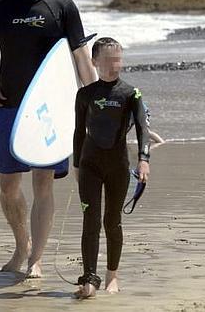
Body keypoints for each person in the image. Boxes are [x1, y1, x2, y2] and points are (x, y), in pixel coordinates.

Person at [0, 0, 96, 278]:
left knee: (44, 182)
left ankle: (36, 258)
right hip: (9, 105)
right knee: (8, 187)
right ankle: (22, 244)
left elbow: (81, 57)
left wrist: (93, 100)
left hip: (51, 108)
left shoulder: (62, 5)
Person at [73, 37, 150, 299]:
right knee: (90, 220)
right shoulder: (85, 94)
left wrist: (143, 159)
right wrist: (76, 165)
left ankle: (112, 275)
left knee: (112, 221)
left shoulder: (131, 94)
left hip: (118, 165)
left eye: (118, 59)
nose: (114, 65)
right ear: (95, 62)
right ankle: (89, 278)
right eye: (108, 60)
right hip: (89, 165)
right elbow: (78, 132)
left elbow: (143, 129)